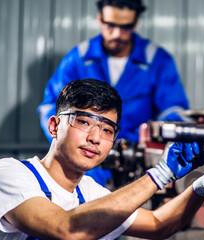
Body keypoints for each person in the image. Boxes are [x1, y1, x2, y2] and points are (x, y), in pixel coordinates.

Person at [0, 79, 204, 239]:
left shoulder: (89, 193)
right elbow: (65, 229)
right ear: (54, 126)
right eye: (84, 122)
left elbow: (157, 224)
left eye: (107, 129)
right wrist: (160, 174)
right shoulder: (8, 175)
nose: (95, 137)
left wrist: (202, 185)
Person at [37, 0, 190, 186]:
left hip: (138, 166)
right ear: (100, 19)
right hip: (86, 167)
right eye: (110, 25)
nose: (117, 33)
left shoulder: (157, 61)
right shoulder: (79, 59)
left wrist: (150, 144)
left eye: (126, 27)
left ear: (136, 23)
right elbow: (50, 107)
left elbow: (173, 109)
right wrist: (71, 148)